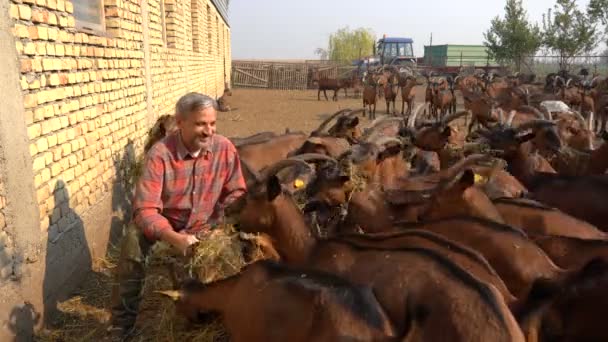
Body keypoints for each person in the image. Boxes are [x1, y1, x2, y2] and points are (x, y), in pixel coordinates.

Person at [107, 92, 247, 339]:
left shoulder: (224, 149)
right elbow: (145, 210)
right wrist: (173, 237)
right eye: (200, 124)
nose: (208, 131)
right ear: (180, 122)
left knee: (240, 252)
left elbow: (236, 192)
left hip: (207, 225)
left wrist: (222, 226)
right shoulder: (160, 155)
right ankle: (121, 323)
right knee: (132, 240)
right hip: (168, 225)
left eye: (212, 123)